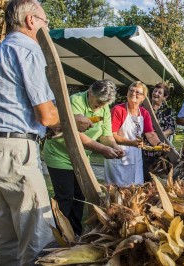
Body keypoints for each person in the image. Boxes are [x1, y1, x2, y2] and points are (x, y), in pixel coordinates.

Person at [0, 0, 90, 264]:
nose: (47, 27)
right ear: (31, 21)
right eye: (46, 21)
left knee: (7, 233)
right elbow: (46, 114)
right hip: (17, 150)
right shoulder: (28, 50)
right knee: (38, 232)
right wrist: (71, 121)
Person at [43, 79, 124, 236]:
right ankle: (57, 236)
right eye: (98, 103)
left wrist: (115, 148)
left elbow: (106, 136)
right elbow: (74, 134)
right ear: (90, 92)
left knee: (80, 198)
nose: (100, 107)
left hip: (80, 158)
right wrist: (101, 149)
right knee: (65, 197)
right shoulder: (76, 101)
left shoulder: (105, 108)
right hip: (60, 155)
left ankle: (75, 234)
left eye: (103, 104)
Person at [104, 81, 166, 186]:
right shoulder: (118, 110)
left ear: (143, 98)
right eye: (131, 90)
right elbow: (111, 135)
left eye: (138, 92)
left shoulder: (144, 113)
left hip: (135, 157)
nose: (134, 93)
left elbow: (150, 134)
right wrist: (131, 143)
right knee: (118, 193)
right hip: (119, 156)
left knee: (136, 190)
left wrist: (160, 145)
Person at [142, 82, 176, 182]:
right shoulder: (144, 110)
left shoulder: (168, 111)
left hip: (161, 153)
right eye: (155, 91)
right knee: (144, 180)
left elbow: (172, 128)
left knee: (159, 182)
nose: (156, 93)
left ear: (165, 97)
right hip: (145, 151)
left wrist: (157, 135)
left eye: (159, 93)